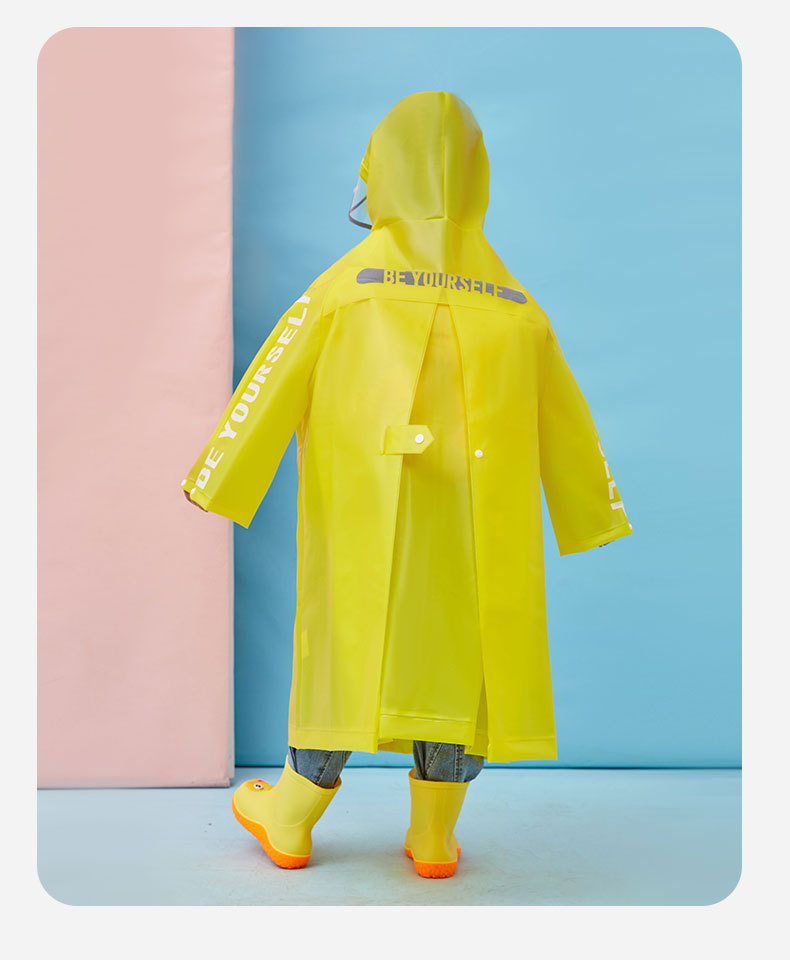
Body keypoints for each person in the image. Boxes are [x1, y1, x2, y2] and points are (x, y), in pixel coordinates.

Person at [183, 90, 633, 880]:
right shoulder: (516, 304)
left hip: (365, 508)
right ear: (475, 182)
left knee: (346, 649)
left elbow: (273, 375)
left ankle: (291, 816)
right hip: (476, 520)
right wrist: (591, 509)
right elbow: (568, 418)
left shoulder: (345, 286)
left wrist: (222, 473)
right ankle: (433, 836)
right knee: (459, 663)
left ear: (380, 174)